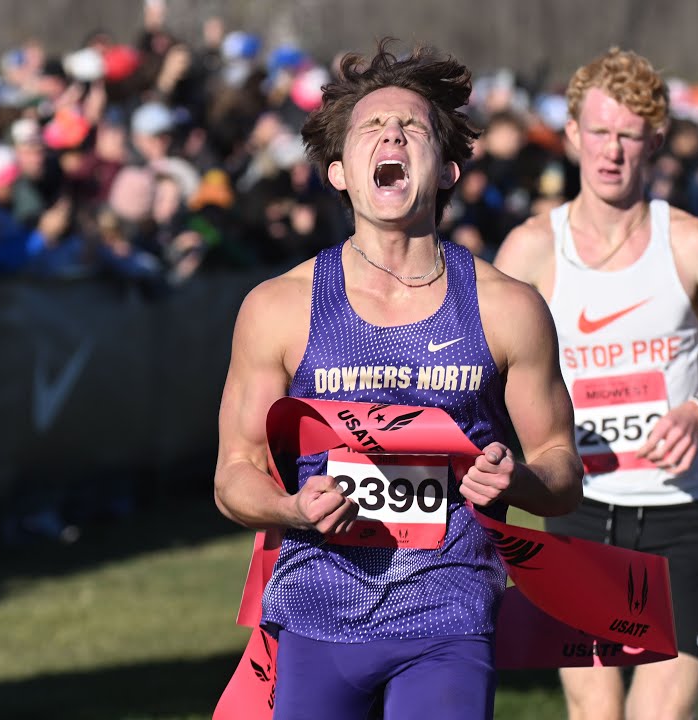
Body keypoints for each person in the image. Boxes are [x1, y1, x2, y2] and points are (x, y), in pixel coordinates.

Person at [212, 39, 583, 720]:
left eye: (412, 127)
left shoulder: (508, 308)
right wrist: (293, 509)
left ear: (445, 170)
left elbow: (563, 471)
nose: (391, 134)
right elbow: (233, 476)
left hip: (448, 614)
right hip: (316, 614)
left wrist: (519, 480)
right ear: (338, 173)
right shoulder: (278, 309)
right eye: (371, 127)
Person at [494, 48, 698, 720]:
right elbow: (485, 377)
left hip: (676, 514)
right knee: (596, 715)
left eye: (628, 135)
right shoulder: (532, 250)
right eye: (598, 132)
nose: (611, 152)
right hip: (575, 509)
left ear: (654, 140)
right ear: (571, 135)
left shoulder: (692, 243)